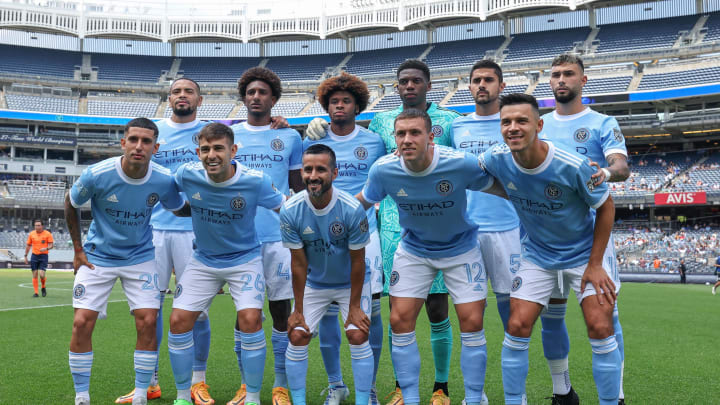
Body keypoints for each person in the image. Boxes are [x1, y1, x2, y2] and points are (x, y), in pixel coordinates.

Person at [307, 59, 461, 404]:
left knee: (437, 308)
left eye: (416, 81)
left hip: (439, 224)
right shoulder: (380, 123)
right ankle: (398, 386)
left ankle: (440, 388)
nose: (409, 86)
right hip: (391, 227)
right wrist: (314, 124)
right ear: (396, 87)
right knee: (396, 313)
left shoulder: (452, 122)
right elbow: (348, 137)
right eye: (403, 81)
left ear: (428, 85)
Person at [479, 93, 621, 405]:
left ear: (538, 125)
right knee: (516, 326)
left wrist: (595, 264)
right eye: (506, 122)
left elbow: (607, 206)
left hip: (583, 255)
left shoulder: (572, 165)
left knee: (600, 326)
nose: (513, 127)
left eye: (521, 121)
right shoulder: (496, 158)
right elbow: (477, 174)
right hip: (537, 256)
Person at [357, 108, 503, 405]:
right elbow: (361, 202)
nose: (407, 139)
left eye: (415, 133)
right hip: (414, 251)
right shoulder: (383, 169)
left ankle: (474, 398)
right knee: (399, 321)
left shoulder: (458, 163)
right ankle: (410, 398)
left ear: (430, 136)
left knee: (472, 322)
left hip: (460, 250)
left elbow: (501, 188)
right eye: (401, 134)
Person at [65, 118, 186, 405]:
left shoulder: (163, 179)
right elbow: (70, 202)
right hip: (97, 257)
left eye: (146, 142)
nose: (139, 146)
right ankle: (82, 396)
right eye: (133, 140)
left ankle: (142, 394)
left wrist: (213, 201)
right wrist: (78, 250)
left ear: (155, 147)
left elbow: (180, 209)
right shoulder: (98, 174)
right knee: (82, 322)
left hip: (140, 257)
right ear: (123, 143)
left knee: (148, 320)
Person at [167, 122, 285, 405]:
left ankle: (253, 397)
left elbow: (285, 208)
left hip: (244, 260)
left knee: (251, 320)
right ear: (198, 152)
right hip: (203, 260)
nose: (212, 155)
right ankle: (184, 396)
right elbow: (171, 198)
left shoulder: (255, 181)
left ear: (233, 150)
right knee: (178, 321)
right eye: (205, 149)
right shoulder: (187, 175)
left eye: (218, 148)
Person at [538, 54, 630, 405]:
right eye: (556, 75)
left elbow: (621, 166)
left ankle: (616, 395)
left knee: (606, 315)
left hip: (591, 237)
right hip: (544, 237)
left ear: (583, 80)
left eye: (569, 74)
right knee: (551, 316)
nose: (561, 80)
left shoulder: (602, 122)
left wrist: (605, 172)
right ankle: (562, 392)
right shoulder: (540, 124)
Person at [115, 77, 212, 405]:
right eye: (175, 92)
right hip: (151, 232)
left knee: (196, 312)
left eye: (188, 91)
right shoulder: (152, 132)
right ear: (168, 98)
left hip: (194, 230)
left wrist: (280, 121)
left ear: (200, 99)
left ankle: (199, 383)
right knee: (148, 311)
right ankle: (149, 382)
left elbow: (255, 135)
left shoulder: (212, 131)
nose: (181, 96)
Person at [303, 72, 386, 404]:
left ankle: (370, 387)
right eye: (334, 101)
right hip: (321, 235)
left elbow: (381, 185)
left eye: (346, 101)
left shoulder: (374, 142)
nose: (339, 106)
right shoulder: (313, 141)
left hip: (366, 233)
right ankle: (336, 385)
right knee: (326, 311)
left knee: (372, 311)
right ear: (326, 106)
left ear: (357, 106)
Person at [229, 66, 304, 405]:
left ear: (274, 99)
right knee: (246, 313)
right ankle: (247, 385)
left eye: (263, 93)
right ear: (244, 98)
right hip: (238, 238)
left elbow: (299, 189)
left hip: (278, 237)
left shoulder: (290, 137)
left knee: (279, 310)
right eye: (251, 92)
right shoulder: (229, 136)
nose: (256, 97)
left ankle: (280, 384)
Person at [281, 144, 374, 405]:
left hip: (350, 283)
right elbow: (298, 264)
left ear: (334, 172)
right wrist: (297, 309)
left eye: (321, 169)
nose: (313, 175)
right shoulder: (291, 210)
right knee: (298, 332)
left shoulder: (351, 209)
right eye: (308, 169)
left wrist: (355, 306)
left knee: (357, 332)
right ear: (301, 172)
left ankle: (363, 401)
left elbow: (358, 261)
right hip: (316, 283)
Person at [452, 60, 520, 335]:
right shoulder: (456, 126)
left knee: (512, 313)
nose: (482, 84)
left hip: (507, 227)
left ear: (501, 86)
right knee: (471, 315)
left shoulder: (513, 123)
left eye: (489, 80)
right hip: (467, 229)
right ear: (469, 86)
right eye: (477, 80)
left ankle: (514, 377)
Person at [25, 219, 53, 297]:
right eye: (36, 225)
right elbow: (28, 245)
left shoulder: (47, 234)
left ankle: (43, 287)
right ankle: (36, 292)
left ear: (42, 226)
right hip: (34, 256)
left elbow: (51, 245)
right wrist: (25, 256)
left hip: (44, 256)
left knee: (41, 274)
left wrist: (46, 248)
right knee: (34, 274)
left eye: (38, 225)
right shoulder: (31, 234)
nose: (37, 227)